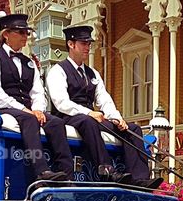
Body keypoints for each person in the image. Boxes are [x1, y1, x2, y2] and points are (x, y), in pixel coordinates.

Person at [46, 25, 161, 188]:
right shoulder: (58, 71)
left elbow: (103, 98)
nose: (88, 47)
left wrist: (116, 118)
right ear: (71, 44)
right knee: (89, 122)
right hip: (68, 116)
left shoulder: (92, 73)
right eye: (83, 43)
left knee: (133, 129)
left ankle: (140, 178)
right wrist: (89, 112)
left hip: (90, 116)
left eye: (89, 44)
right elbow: (61, 102)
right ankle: (106, 169)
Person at [0, 12, 72, 183]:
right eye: (21, 32)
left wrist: (38, 109)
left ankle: (66, 173)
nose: (25, 37)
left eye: (27, 33)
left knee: (57, 122)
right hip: (1, 107)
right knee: (29, 120)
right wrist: (24, 109)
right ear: (6, 34)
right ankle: (41, 171)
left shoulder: (29, 62)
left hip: (27, 110)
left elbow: (38, 91)